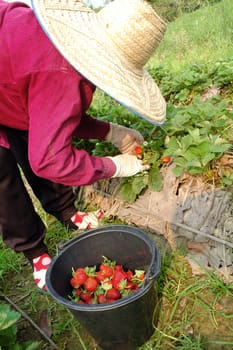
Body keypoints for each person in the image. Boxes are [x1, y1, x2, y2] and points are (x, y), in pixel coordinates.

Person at [0, 0, 167, 291]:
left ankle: (66, 212)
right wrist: (114, 166)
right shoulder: (61, 70)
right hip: (11, 84)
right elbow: (50, 160)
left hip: (11, 84)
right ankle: (35, 252)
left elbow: (52, 113)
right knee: (3, 183)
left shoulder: (62, 53)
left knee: (36, 138)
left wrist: (111, 132)